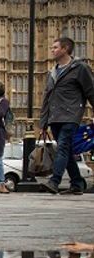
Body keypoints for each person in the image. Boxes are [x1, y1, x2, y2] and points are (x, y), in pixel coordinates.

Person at [39, 37, 94, 195]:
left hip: (71, 115)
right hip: (55, 117)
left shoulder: (80, 68)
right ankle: (77, 183)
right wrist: (43, 122)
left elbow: (91, 91)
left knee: (63, 146)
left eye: (55, 47)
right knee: (67, 150)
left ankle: (54, 181)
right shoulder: (53, 72)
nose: (52, 50)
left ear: (65, 49)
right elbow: (46, 98)